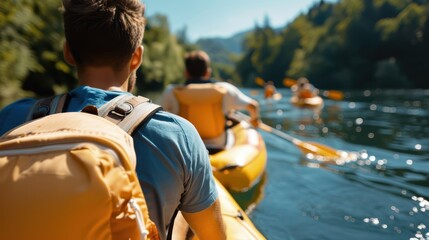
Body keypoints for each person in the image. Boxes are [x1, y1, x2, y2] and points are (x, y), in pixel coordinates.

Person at [0, 0, 226, 239]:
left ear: (68, 52)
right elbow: (215, 236)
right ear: (137, 57)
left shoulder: (11, 117)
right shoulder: (178, 134)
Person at [161, 50, 260, 150]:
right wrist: (255, 121)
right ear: (208, 72)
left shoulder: (171, 91)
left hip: (186, 149)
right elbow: (253, 106)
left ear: (186, 73)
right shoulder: (225, 89)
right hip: (218, 147)